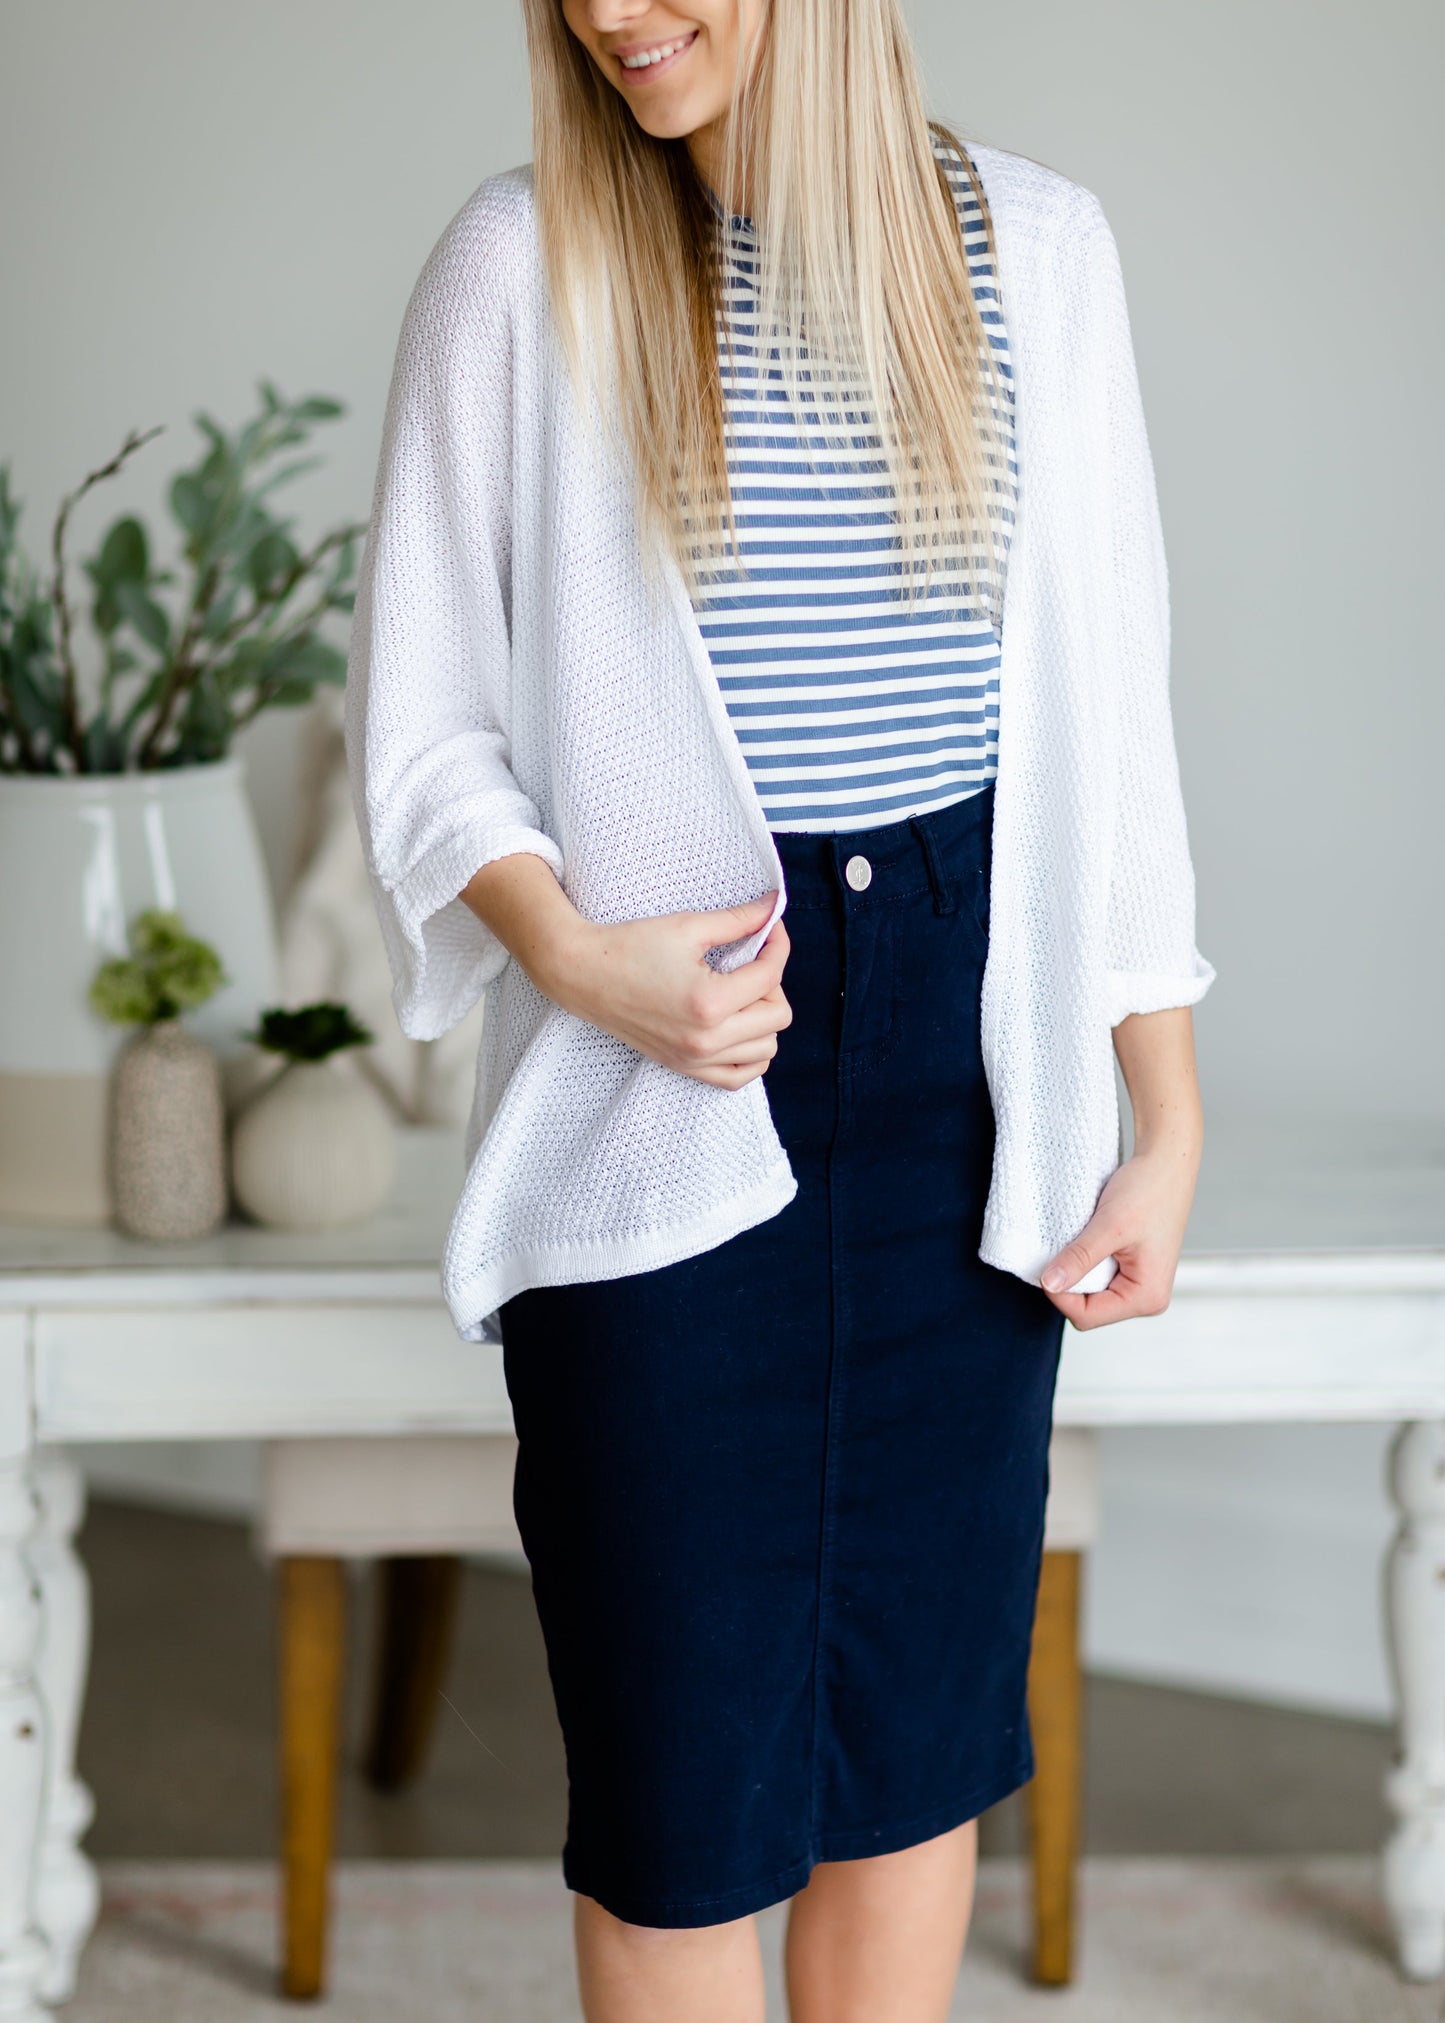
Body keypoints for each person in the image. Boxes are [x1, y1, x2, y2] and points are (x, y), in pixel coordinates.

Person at [345, 2, 1216, 2016]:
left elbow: (1112, 734)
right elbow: (425, 730)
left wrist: (1162, 1118)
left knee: (908, 1780)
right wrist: (579, 957)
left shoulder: (1040, 253)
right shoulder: (523, 260)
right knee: (678, 1807)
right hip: (660, 1084)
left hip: (967, 1079)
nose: (612, 11)